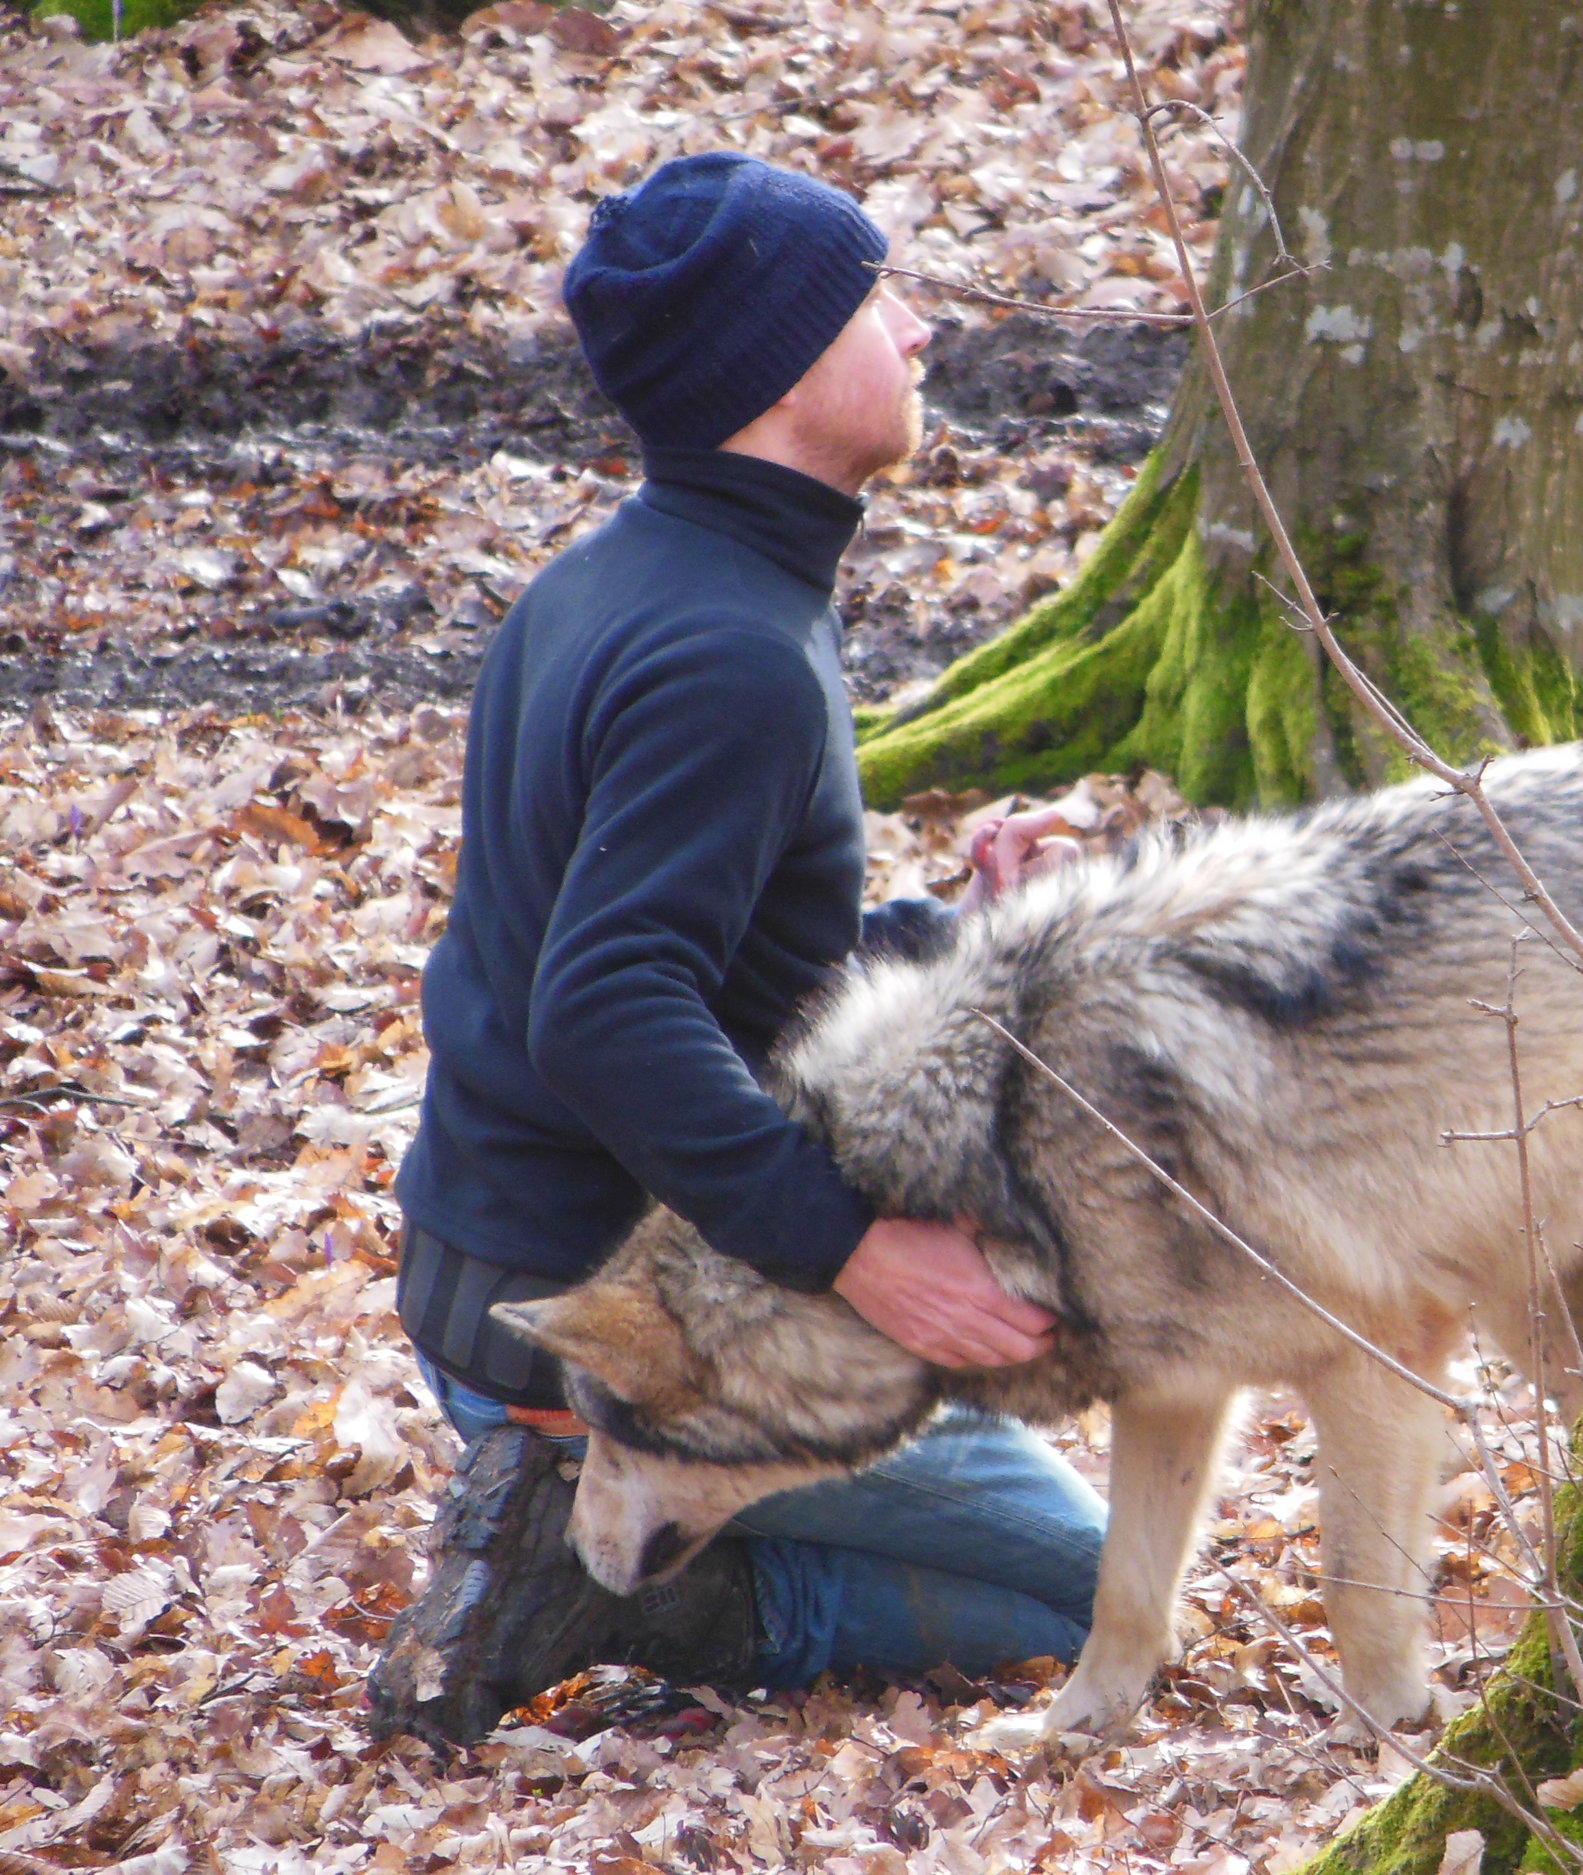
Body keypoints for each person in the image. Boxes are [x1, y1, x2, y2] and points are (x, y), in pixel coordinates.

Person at [365, 151, 1106, 1750]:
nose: (918, 330)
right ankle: (623, 1591)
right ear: (778, 365)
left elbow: (706, 956)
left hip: (487, 1290)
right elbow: (607, 1007)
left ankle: (576, 1511)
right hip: (619, 1345)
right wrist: (853, 1250)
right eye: (874, 297)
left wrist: (940, 935)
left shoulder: (620, 582)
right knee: (1110, 1603)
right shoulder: (732, 651)